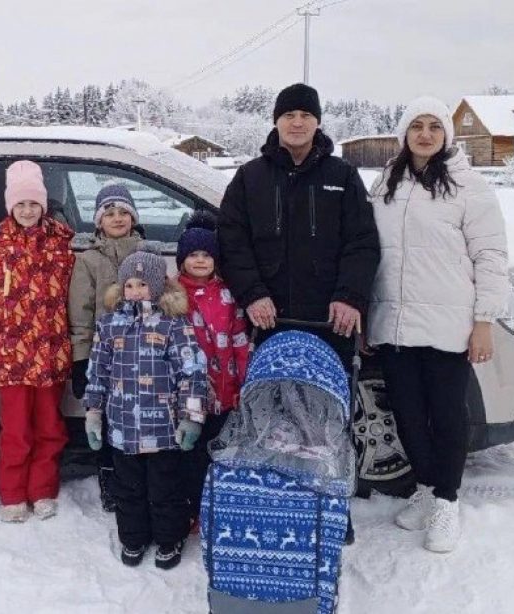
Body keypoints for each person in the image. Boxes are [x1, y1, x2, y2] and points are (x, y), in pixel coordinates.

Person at [367, 96, 509, 553]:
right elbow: (370, 251)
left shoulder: (470, 186)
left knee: (447, 415)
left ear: (447, 134)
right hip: (395, 322)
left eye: (434, 126)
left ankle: (447, 500)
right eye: (416, 126)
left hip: (449, 322)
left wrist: (484, 320)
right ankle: (427, 488)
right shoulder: (386, 182)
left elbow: (490, 256)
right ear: (404, 134)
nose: (425, 134)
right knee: (407, 414)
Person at [217, 82, 380, 355]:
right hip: (266, 320)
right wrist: (253, 294)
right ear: (276, 121)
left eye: (306, 115)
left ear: (318, 122)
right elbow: (231, 241)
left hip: (330, 321)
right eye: (289, 115)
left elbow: (362, 242)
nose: (297, 123)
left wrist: (349, 296)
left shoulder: (343, 176)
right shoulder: (250, 177)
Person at [83, 248, 208, 570]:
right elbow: (98, 372)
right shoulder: (109, 325)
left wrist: (191, 418)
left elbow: (192, 373)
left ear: (158, 286)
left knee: (165, 489)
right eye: (129, 285)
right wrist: (94, 412)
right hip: (123, 430)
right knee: (128, 490)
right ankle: (133, 537)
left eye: (143, 284)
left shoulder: (173, 325)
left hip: (164, 430)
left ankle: (169, 538)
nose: (135, 291)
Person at [0, 160, 75, 523]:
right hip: (10, 358)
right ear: (10, 206)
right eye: (21, 204)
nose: (27, 211)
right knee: (15, 432)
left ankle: (42, 489)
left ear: (43, 205)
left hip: (51, 354)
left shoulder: (61, 244)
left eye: (33, 204)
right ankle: (13, 494)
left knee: (50, 429)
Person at [68, 183, 144, 513]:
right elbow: (80, 313)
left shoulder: (146, 256)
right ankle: (108, 474)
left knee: (137, 416)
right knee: (106, 418)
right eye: (109, 213)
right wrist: (80, 359)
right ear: (98, 221)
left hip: (143, 357)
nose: (117, 218)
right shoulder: (88, 261)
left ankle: (134, 474)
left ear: (133, 218)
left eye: (124, 212)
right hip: (104, 358)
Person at [174, 211, 249, 524]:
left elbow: (240, 341)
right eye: (193, 255)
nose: (200, 260)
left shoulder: (227, 295)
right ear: (182, 260)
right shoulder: (173, 295)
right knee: (187, 452)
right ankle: (190, 506)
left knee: (216, 450)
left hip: (224, 390)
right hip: (188, 395)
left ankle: (214, 506)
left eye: (206, 255)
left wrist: (243, 382)